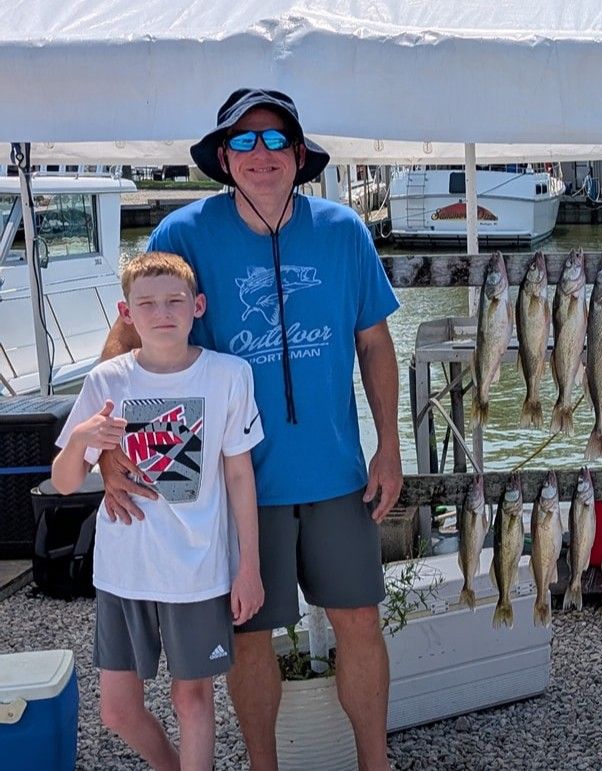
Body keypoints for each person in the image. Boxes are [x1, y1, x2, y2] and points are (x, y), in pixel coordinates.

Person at [97, 88, 403, 771]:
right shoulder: (181, 236)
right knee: (250, 634)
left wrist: (390, 443)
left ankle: (374, 762)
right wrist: (108, 453)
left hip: (337, 473)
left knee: (359, 620)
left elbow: (376, 344)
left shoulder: (344, 231)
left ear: (298, 155)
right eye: (243, 141)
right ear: (223, 158)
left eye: (273, 141)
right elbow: (124, 349)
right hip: (227, 485)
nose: (259, 156)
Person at [54, 252, 265, 771]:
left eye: (174, 300)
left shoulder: (229, 375)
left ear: (198, 305)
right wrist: (82, 437)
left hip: (196, 571)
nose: (162, 312)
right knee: (117, 710)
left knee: (191, 700)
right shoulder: (106, 382)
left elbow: (240, 475)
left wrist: (249, 567)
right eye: (146, 303)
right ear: (127, 313)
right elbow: (63, 483)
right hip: (123, 572)